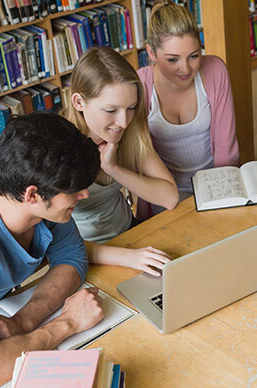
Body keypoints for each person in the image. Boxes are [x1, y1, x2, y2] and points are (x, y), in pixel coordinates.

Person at [0, 113, 104, 388]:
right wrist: (68, 323)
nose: (84, 194)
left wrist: (23, 321)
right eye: (74, 189)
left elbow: (72, 258)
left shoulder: (31, 181)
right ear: (32, 195)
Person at [62, 46, 178, 276]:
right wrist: (128, 257)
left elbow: (170, 197)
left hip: (130, 235)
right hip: (82, 254)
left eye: (131, 108)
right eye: (110, 110)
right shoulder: (58, 148)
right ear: (78, 102)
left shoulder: (129, 131)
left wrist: (113, 168)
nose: (124, 121)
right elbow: (54, 244)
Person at [138, 0, 239, 216]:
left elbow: (226, 150)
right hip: (166, 196)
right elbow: (137, 154)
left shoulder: (215, 70)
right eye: (173, 60)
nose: (185, 68)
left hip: (214, 185)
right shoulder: (140, 86)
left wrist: (220, 200)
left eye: (194, 56)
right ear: (152, 53)